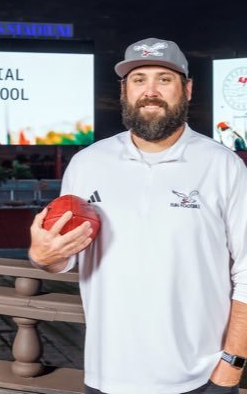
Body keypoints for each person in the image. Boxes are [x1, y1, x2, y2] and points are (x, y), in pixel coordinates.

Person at [28, 38, 247, 394]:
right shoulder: (87, 163)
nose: (150, 91)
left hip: (200, 378)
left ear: (187, 89)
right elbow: (65, 259)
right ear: (124, 91)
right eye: (138, 79)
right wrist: (43, 257)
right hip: (106, 377)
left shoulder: (223, 165)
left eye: (164, 79)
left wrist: (231, 367)